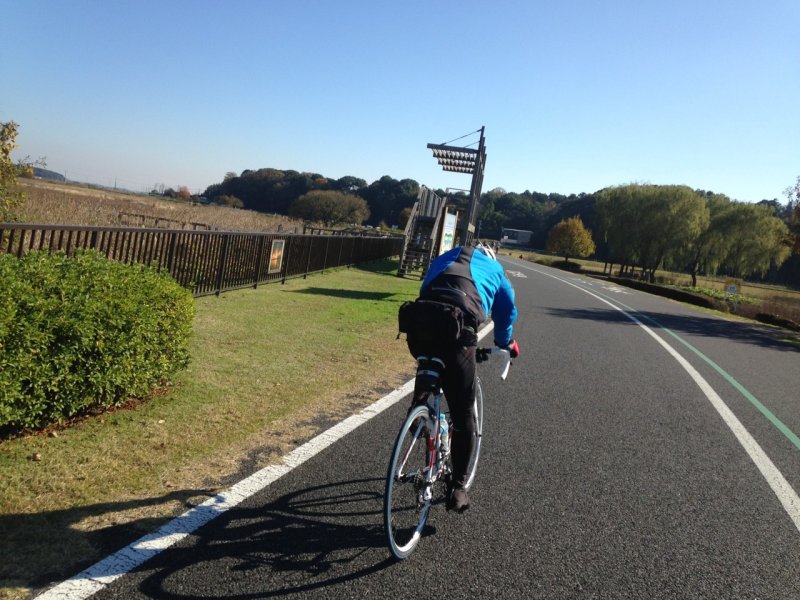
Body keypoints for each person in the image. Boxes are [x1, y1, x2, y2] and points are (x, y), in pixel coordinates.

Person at [403, 243, 519, 513]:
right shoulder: (496, 270)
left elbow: (425, 289)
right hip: (459, 330)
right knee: (464, 411)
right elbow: (507, 311)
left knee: (430, 361)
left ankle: (419, 406)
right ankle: (458, 487)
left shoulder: (446, 256)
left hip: (420, 323)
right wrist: (505, 342)